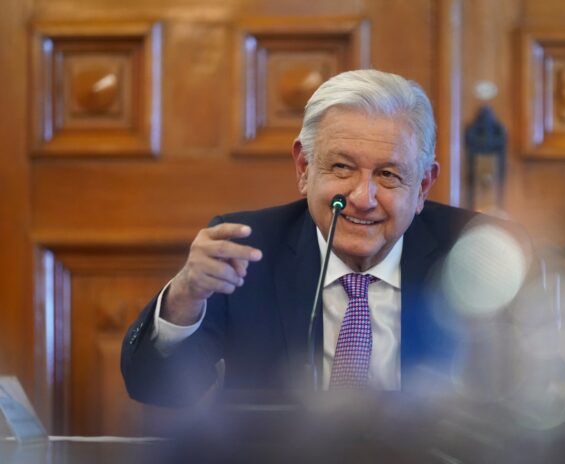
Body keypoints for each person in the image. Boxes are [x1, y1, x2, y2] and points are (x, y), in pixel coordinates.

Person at [121, 69, 483, 406]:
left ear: (422, 186)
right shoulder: (247, 253)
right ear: (304, 169)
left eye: (388, 174)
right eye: (342, 167)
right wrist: (185, 297)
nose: (363, 198)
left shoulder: (477, 254)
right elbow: (154, 386)